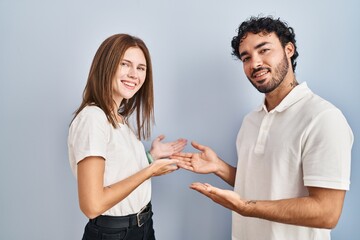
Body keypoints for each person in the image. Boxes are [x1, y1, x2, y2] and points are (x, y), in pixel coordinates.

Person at [172, 16, 353, 240]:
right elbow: (264, 183)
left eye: (264, 50)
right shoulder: (251, 120)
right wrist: (219, 167)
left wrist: (247, 208)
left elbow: (327, 213)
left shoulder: (323, 117)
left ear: (289, 50)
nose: (255, 63)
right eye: (246, 57)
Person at [68, 33, 187, 240]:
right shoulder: (93, 118)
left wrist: (150, 158)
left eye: (141, 68)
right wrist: (150, 171)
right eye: (125, 64)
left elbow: (116, 173)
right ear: (106, 66)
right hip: (115, 233)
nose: (134, 74)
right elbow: (92, 205)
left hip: (142, 226)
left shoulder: (118, 118)